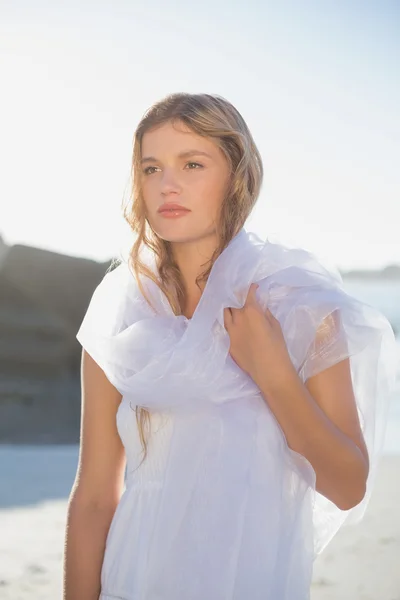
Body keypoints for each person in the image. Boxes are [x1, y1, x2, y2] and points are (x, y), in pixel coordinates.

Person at [63, 93, 398, 600]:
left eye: (192, 163)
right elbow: (93, 498)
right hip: (132, 578)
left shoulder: (299, 306)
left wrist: (274, 374)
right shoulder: (121, 313)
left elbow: (348, 486)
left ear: (237, 174)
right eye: (151, 168)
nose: (167, 184)